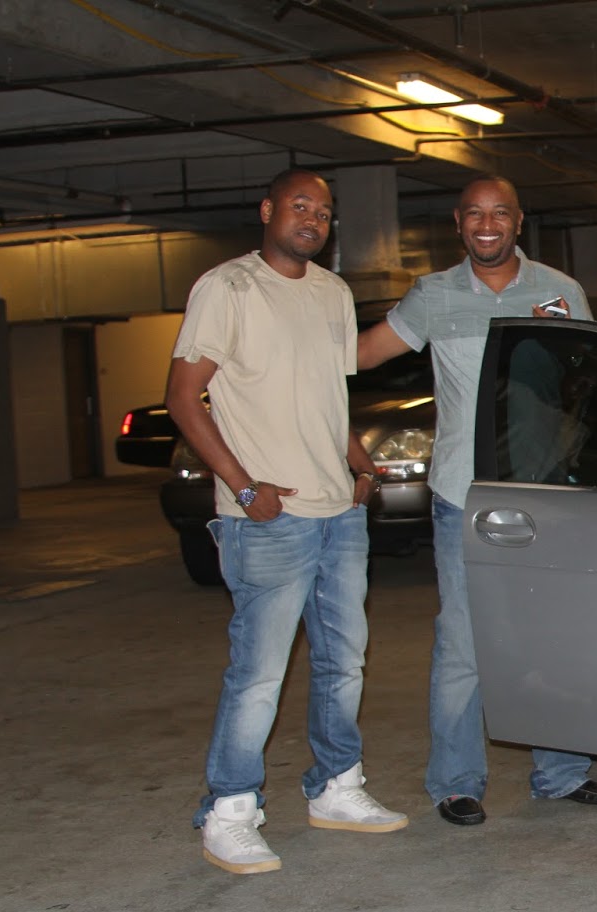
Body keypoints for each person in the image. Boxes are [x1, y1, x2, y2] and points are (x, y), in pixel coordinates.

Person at [357, 174, 597, 826]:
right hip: (463, 495)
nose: (486, 225)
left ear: (518, 221)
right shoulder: (434, 295)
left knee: (552, 637)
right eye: (474, 214)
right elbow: (359, 355)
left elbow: (595, 377)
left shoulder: (560, 291)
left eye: (499, 213)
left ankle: (560, 773)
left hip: (547, 494)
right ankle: (456, 783)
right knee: (464, 643)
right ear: (458, 222)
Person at [170, 168, 408, 875]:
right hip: (267, 519)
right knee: (259, 674)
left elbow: (327, 394)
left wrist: (361, 466)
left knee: (344, 662)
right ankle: (230, 811)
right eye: (300, 206)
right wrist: (243, 489)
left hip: (340, 514)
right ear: (267, 209)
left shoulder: (333, 292)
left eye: (325, 212)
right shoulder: (228, 288)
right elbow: (183, 397)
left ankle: (336, 786)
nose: (313, 220)